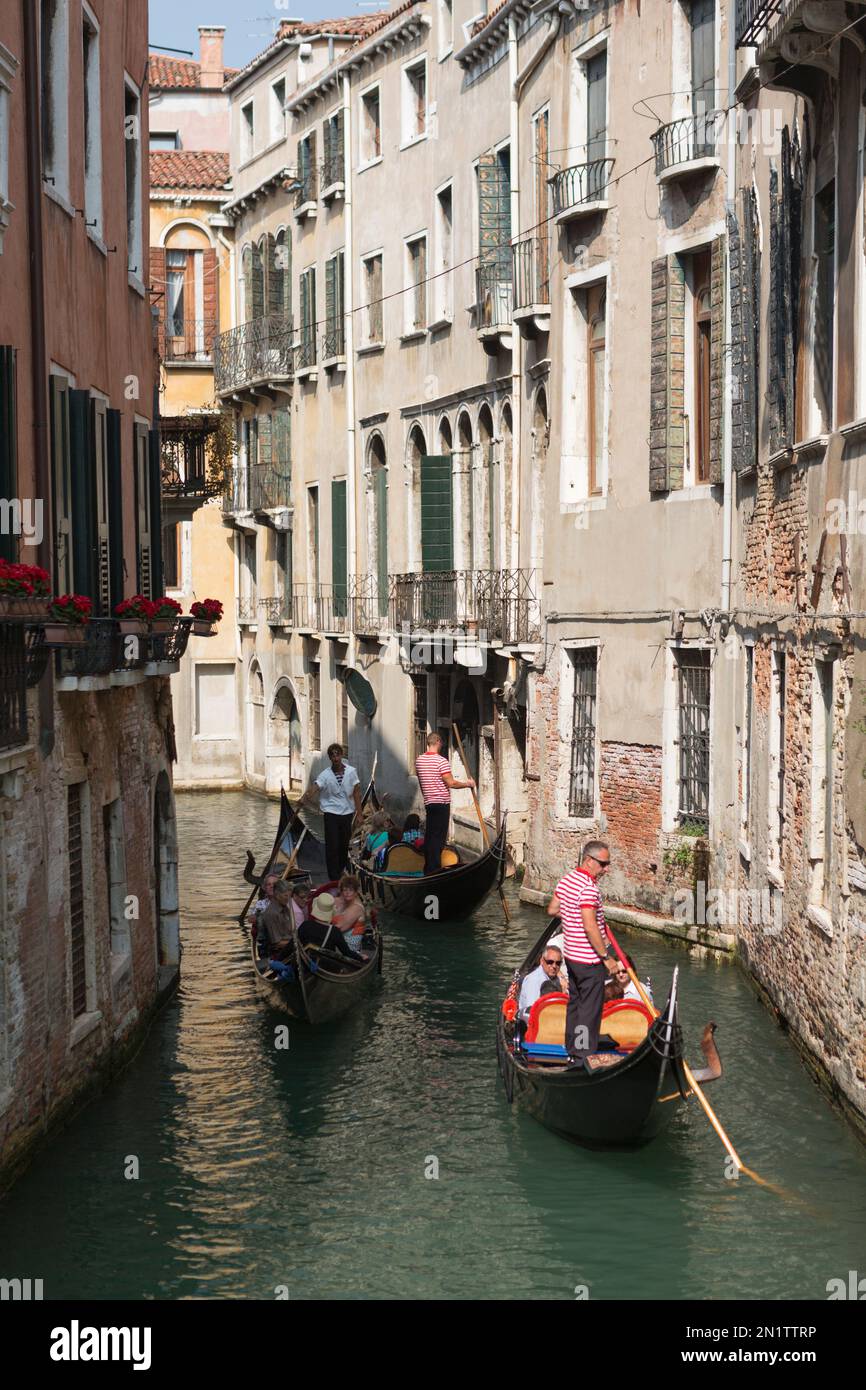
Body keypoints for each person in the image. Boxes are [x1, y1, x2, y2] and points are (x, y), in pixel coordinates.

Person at [547, 841, 619, 1063]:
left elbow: (552, 909)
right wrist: (607, 958)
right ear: (589, 860)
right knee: (589, 1010)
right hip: (589, 960)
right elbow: (590, 927)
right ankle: (583, 1057)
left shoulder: (567, 880)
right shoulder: (589, 888)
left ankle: (573, 1049)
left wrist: (571, 916)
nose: (607, 869)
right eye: (603, 864)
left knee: (576, 1004)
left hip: (571, 957)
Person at [414, 732, 475, 875]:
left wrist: (427, 797)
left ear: (428, 743)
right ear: (439, 742)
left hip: (429, 802)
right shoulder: (441, 761)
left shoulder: (419, 761)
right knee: (439, 837)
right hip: (441, 803)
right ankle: (434, 870)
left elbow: (422, 782)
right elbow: (451, 783)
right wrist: (468, 784)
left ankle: (428, 868)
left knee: (430, 835)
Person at [301, 743, 362, 882]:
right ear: (330, 757)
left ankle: (340, 870)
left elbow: (357, 792)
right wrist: (305, 798)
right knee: (332, 845)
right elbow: (315, 787)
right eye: (332, 755)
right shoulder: (325, 774)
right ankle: (333, 877)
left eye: (337, 754)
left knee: (343, 845)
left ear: (341, 755)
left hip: (347, 813)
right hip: (331, 814)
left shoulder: (351, 772)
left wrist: (359, 814)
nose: (335, 758)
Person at [299, 891, 368, 961]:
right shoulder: (334, 931)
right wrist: (361, 957)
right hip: (327, 966)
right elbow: (347, 953)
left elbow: (294, 944)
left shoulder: (305, 925)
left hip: (307, 960)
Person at [518, 944, 565, 1021]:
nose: (554, 966)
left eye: (558, 963)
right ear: (542, 961)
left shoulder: (552, 976)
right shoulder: (534, 981)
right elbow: (532, 1013)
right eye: (550, 962)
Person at [333, 874, 367, 955]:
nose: (347, 893)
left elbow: (338, 929)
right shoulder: (344, 902)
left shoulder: (356, 908)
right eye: (345, 890)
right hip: (339, 941)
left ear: (355, 892)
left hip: (349, 946)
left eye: (351, 890)